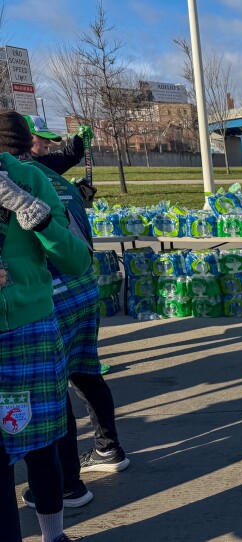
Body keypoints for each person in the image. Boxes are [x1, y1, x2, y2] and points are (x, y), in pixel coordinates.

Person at [0, 110, 130, 513]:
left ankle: (68, 485)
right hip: (79, 291)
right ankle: (108, 449)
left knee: (53, 398)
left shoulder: (32, 179)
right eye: (40, 139)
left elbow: (68, 250)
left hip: (49, 300)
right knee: (82, 376)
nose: (44, 145)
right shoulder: (52, 176)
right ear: (28, 141)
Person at [0, 110, 92, 542]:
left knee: (40, 445)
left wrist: (35, 217)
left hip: (29, 330)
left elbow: (77, 259)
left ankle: (54, 536)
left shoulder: (32, 179)